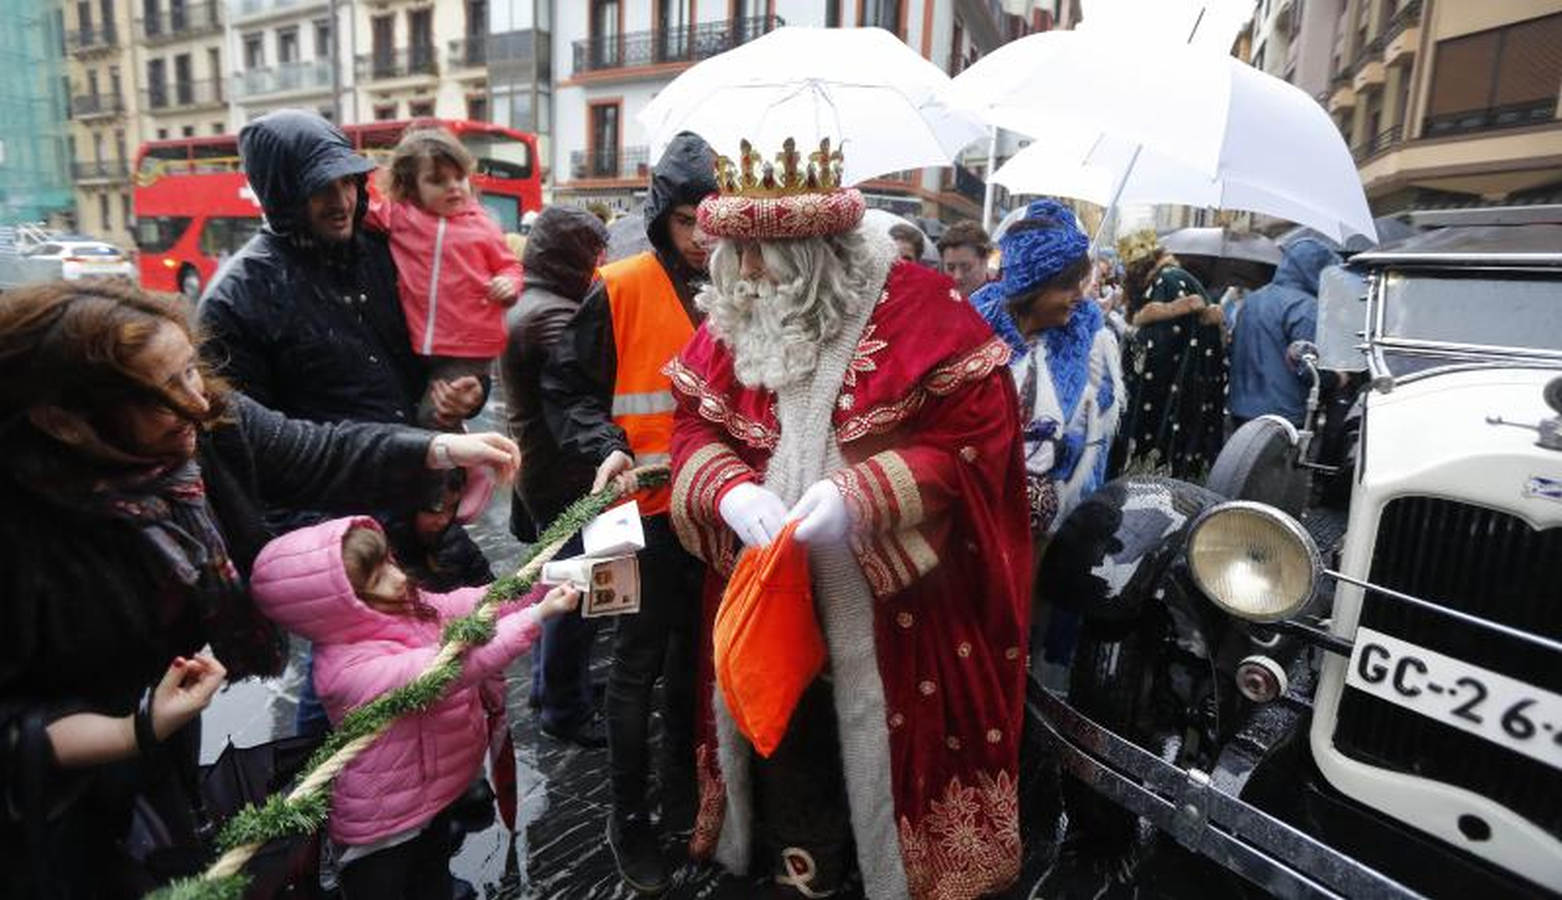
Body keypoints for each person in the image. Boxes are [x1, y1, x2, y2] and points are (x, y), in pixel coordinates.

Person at [0, 281, 521, 897]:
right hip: (56, 788)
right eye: (165, 392)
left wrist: (440, 447)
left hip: (159, 719)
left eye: (192, 370)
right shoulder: (20, 531)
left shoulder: (204, 423)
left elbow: (314, 450)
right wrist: (129, 730)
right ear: (63, 422)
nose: (198, 401)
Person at [666, 137, 1031, 899]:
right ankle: (804, 869)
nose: (753, 276)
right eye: (738, 255)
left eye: (768, 257)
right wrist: (730, 489)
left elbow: (975, 445)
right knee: (785, 738)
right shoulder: (737, 313)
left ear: (823, 252)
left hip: (900, 611)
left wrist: (859, 498)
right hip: (770, 595)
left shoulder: (925, 308)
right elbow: (695, 426)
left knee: (883, 751)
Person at [198, 108, 491, 736]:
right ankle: (335, 814)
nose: (343, 200)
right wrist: (335, 556)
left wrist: (461, 393)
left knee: (448, 659)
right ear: (281, 194)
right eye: (321, 187)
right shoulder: (236, 297)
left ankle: (450, 786)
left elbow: (445, 343)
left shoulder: (382, 253)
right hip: (337, 531)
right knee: (348, 695)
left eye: (350, 182)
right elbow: (253, 453)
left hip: (419, 499)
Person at [540, 132, 716, 894]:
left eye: (714, 219)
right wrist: (603, 443)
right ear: (661, 220)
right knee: (635, 663)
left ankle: (682, 791)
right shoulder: (619, 286)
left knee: (691, 661)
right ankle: (627, 815)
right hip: (633, 514)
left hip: (705, 515)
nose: (703, 237)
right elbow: (566, 390)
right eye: (687, 221)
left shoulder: (742, 293)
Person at [248, 517, 579, 898]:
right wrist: (536, 616)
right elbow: (449, 669)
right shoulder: (344, 670)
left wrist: (536, 581)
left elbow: (468, 605)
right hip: (385, 826)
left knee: (433, 871)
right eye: (376, 578)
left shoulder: (403, 607)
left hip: (429, 794)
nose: (397, 577)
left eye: (388, 561)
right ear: (335, 608)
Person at [499, 205, 611, 748]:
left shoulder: (536, 299)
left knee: (564, 581)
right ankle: (564, 708)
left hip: (549, 470)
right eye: (595, 254)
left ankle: (553, 688)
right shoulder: (553, 314)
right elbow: (595, 379)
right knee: (579, 592)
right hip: (565, 474)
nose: (601, 266)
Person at [366, 128, 524, 430]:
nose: (454, 187)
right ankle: (467, 467)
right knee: (427, 415)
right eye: (438, 180)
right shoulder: (401, 217)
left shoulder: (482, 226)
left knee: (434, 416)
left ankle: (465, 472)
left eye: (460, 177)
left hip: (467, 347)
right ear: (410, 186)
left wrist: (509, 285)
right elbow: (363, 210)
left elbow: (510, 267)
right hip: (421, 342)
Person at [1107, 229, 1228, 480]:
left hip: (1170, 393)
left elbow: (1160, 345)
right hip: (1183, 391)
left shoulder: (1168, 281)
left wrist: (1130, 339)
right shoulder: (1171, 278)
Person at [1228, 238, 1341, 429]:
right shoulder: (1306, 308)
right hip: (1283, 418)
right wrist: (1338, 377)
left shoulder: (1252, 300)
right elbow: (1310, 368)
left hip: (1240, 409)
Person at [937, 219, 993, 298]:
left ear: (985, 260)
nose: (957, 276)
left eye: (966, 267)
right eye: (951, 268)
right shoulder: (935, 301)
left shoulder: (1003, 305)